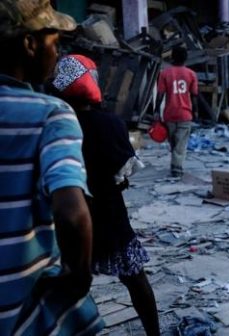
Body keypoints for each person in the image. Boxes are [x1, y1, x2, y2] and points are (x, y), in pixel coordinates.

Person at [0, 1, 103, 334]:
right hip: (25, 314)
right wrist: (78, 279)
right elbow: (72, 213)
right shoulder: (49, 114)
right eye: (55, 43)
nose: (58, 54)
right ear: (30, 44)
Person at [51, 54, 160, 336]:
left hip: (65, 219)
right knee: (135, 278)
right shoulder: (109, 124)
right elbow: (122, 174)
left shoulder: (53, 122)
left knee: (67, 283)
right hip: (109, 217)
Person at [156, 46, 199, 178]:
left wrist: (156, 111)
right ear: (186, 58)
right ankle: (177, 167)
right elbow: (194, 95)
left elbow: (160, 95)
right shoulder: (191, 74)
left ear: (172, 57)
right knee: (181, 143)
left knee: (173, 142)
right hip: (185, 114)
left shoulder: (165, 73)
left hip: (169, 114)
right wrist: (196, 112)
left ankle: (175, 164)